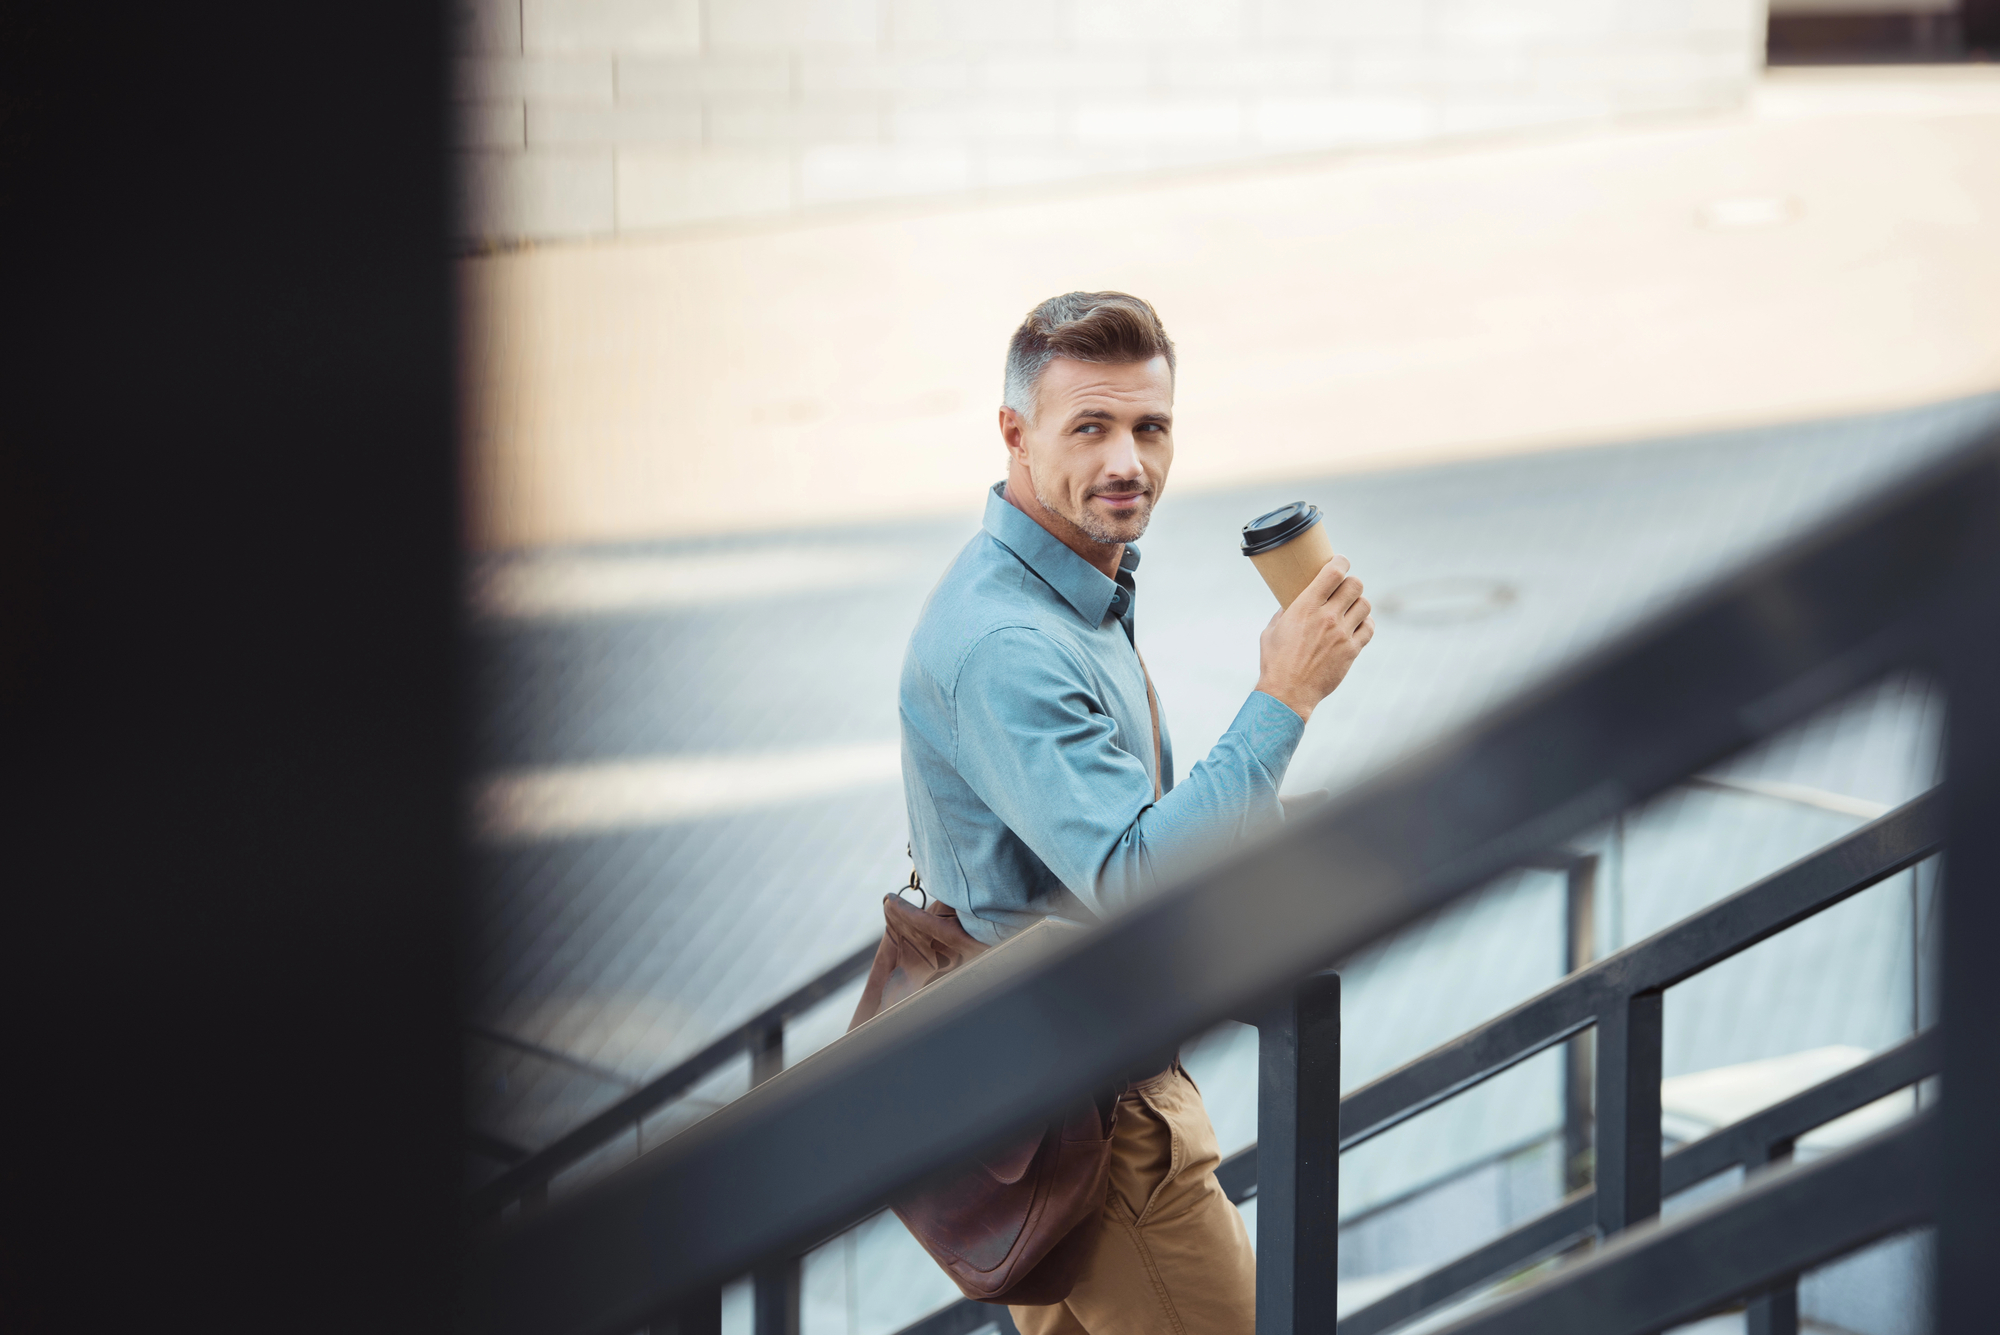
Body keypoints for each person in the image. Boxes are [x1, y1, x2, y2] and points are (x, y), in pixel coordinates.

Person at [897, 291, 1375, 1335]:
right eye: (1089, 427)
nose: (1127, 462)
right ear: (1014, 436)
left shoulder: (1059, 588)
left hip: (1035, 1101)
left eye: (1149, 427)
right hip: (1097, 1122)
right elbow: (1135, 878)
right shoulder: (1009, 646)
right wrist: (1282, 696)